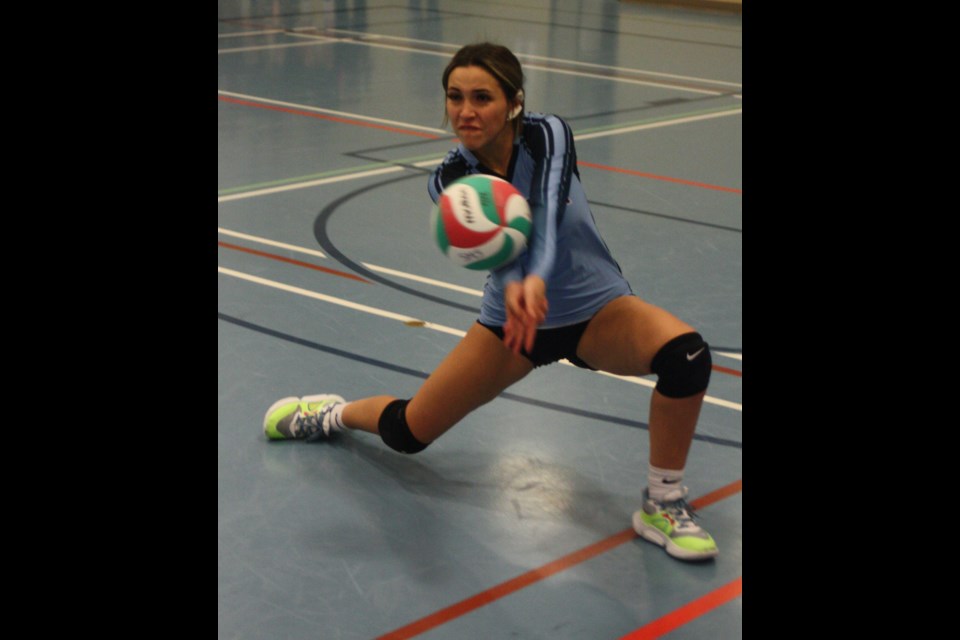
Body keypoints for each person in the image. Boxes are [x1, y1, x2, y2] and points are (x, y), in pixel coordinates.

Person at [263, 43, 718, 561]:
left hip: (597, 312)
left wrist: (537, 277)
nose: (465, 111)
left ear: (514, 103)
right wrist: (519, 280)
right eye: (455, 97)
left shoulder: (548, 136)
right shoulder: (450, 180)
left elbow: (543, 213)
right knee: (408, 432)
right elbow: (494, 254)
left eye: (482, 97)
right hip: (512, 329)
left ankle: (663, 502)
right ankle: (332, 414)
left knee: (686, 357)